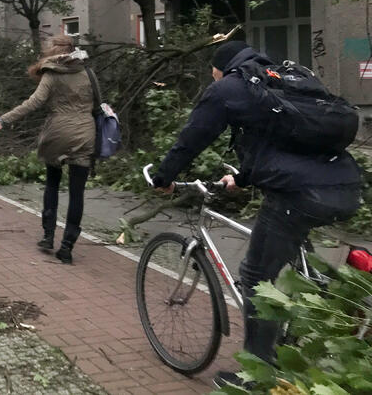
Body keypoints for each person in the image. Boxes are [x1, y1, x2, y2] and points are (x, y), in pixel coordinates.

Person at [150, 39, 363, 388]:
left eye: (213, 73)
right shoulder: (284, 78)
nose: (213, 78)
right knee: (292, 256)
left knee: (255, 278)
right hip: (344, 188)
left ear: (220, 69)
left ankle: (256, 375)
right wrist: (242, 177)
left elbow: (194, 136)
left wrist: (164, 178)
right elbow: (287, 142)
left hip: (299, 196)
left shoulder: (230, 88)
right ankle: (315, 309)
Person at [0, 35, 96, 265]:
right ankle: (67, 247)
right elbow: (99, 105)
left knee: (52, 184)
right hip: (85, 133)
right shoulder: (88, 73)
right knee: (77, 193)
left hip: (58, 133)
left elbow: (33, 103)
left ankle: (47, 236)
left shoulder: (52, 74)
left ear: (53, 52)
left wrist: (2, 120)